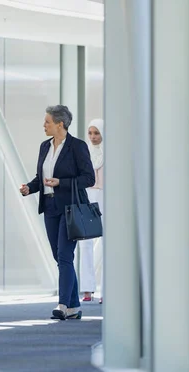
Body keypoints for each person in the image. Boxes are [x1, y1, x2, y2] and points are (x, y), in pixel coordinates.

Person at [20, 105, 94, 320]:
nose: (44, 125)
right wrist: (29, 188)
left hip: (70, 208)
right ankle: (74, 307)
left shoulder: (77, 147)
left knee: (64, 256)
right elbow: (40, 177)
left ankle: (63, 305)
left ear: (60, 124)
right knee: (59, 256)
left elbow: (88, 178)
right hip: (50, 206)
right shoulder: (45, 146)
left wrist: (61, 182)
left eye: (47, 122)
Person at [79, 119, 104, 303]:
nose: (93, 137)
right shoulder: (84, 153)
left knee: (107, 244)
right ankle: (87, 288)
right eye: (90, 133)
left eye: (97, 133)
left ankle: (107, 289)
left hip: (106, 198)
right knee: (85, 242)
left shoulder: (112, 154)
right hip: (87, 197)